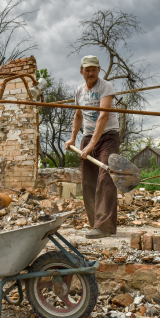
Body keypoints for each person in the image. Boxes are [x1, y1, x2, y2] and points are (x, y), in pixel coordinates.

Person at [65, 55, 120, 239]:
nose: (90, 73)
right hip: (88, 137)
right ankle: (95, 225)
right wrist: (73, 138)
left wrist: (91, 145)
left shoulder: (106, 87)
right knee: (88, 182)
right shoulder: (79, 90)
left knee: (106, 177)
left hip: (108, 137)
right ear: (81, 71)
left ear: (99, 70)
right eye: (87, 69)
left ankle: (104, 227)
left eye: (93, 69)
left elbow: (104, 116)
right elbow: (78, 115)